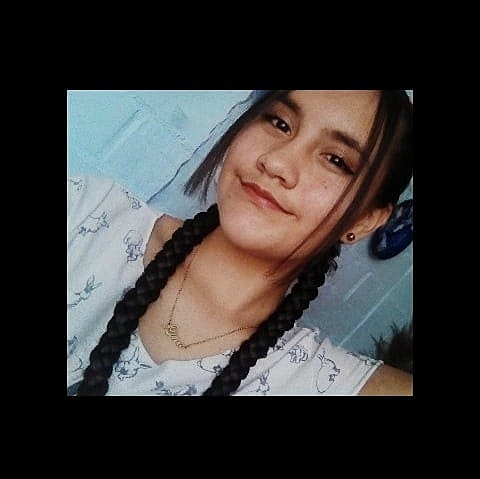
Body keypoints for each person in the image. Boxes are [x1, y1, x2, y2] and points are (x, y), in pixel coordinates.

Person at [67, 90, 413, 396]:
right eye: (279, 122)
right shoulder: (88, 213)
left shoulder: (319, 380)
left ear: (364, 220)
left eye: (336, 160)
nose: (276, 162)